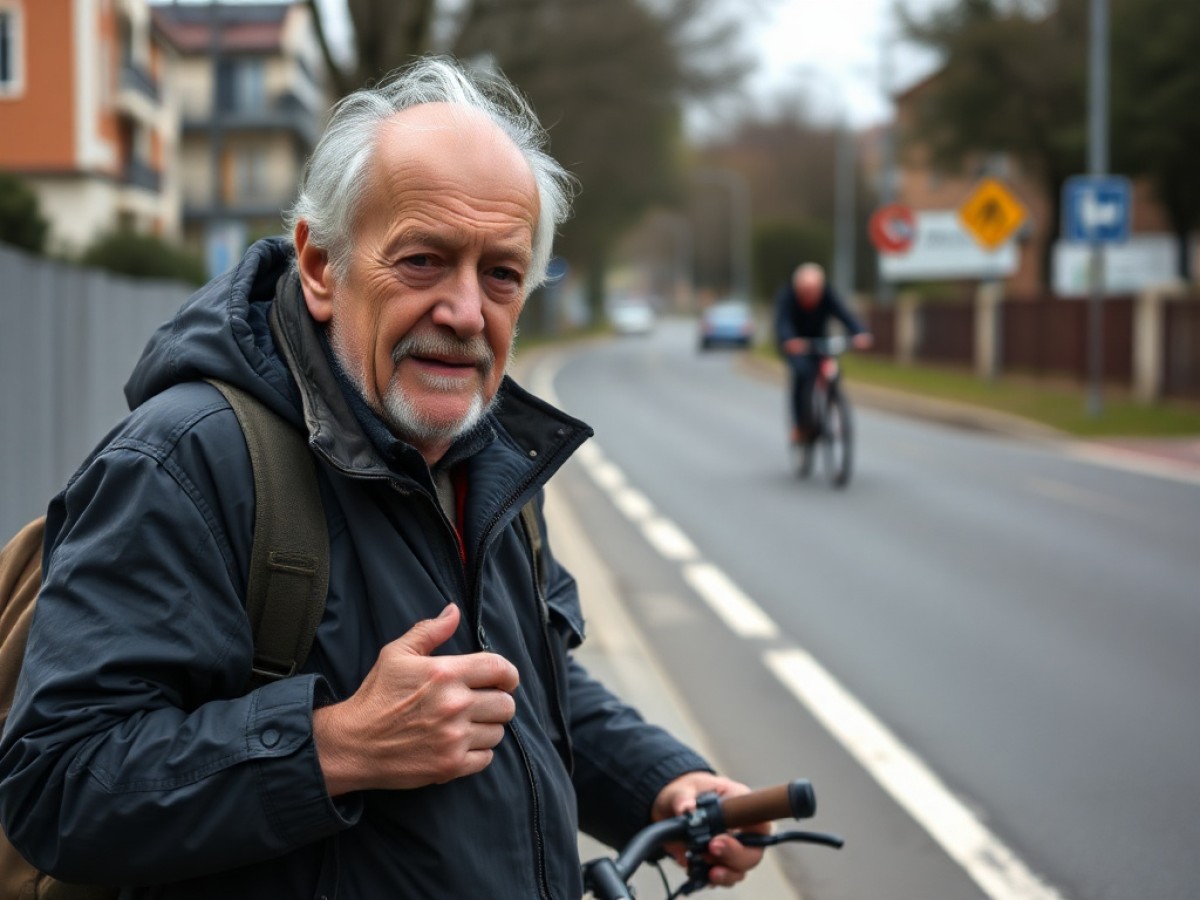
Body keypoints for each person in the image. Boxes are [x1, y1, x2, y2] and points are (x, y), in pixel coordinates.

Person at [0, 58, 768, 897]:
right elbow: (55, 786)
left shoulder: (489, 457)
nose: (465, 312)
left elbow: (518, 687)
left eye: (501, 273)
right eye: (424, 260)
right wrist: (334, 746)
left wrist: (663, 782)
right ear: (321, 266)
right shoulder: (187, 463)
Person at [773, 262, 873, 442]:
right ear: (798, 289)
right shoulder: (787, 296)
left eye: (815, 290)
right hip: (795, 343)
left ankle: (831, 399)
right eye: (806, 291)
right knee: (803, 374)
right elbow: (783, 322)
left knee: (832, 369)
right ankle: (800, 424)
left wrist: (859, 332)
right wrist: (789, 339)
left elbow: (844, 314)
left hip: (819, 340)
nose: (811, 294)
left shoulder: (827, 294)